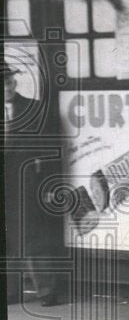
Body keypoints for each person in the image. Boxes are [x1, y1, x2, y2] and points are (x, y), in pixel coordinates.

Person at [3, 62, 59, 306]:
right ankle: (10, 292)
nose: (5, 87)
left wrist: (47, 186)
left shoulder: (36, 110)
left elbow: (51, 154)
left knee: (34, 238)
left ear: (14, 82)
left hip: (27, 186)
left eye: (7, 81)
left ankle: (46, 291)